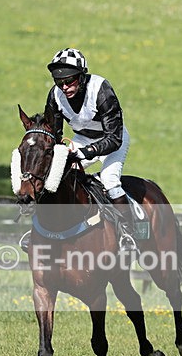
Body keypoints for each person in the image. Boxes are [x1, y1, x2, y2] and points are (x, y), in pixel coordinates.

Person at [44, 47, 137, 251]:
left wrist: (85, 153)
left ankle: (129, 234)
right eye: (59, 82)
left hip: (113, 139)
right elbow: (55, 135)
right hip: (82, 138)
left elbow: (114, 138)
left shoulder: (101, 89)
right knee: (56, 176)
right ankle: (46, 229)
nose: (65, 87)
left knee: (110, 180)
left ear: (82, 76)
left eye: (70, 81)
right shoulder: (55, 96)